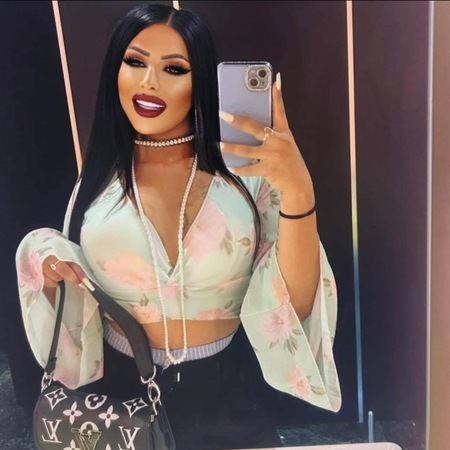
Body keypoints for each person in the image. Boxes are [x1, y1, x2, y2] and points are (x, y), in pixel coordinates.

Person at [16, 3, 341, 449]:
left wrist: (300, 192)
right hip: (118, 399)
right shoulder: (97, 183)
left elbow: (294, 306)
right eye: (135, 62)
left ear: (200, 80)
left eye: (174, 68)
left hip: (227, 396)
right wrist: (48, 262)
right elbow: (75, 312)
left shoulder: (245, 180)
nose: (149, 81)